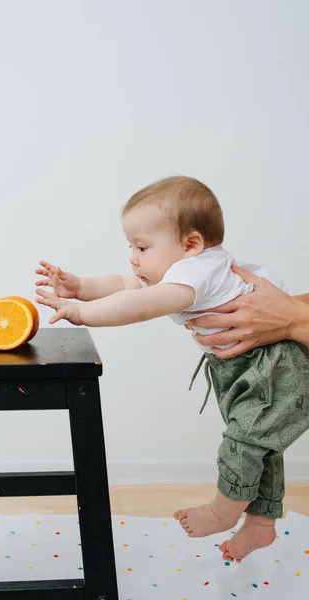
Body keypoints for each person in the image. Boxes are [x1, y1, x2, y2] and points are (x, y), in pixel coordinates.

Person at [34, 176, 309, 563]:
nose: (134, 256)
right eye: (131, 245)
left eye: (142, 246)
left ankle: (221, 511)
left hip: (274, 366)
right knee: (260, 445)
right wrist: (80, 286)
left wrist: (82, 313)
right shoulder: (192, 267)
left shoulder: (194, 272)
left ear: (190, 245)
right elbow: (127, 283)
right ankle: (261, 523)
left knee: (244, 442)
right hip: (250, 365)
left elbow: (141, 304)